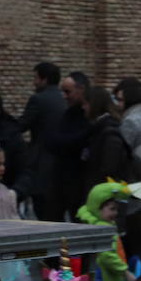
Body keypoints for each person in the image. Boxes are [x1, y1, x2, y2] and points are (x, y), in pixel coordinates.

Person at [76, 180, 137, 281]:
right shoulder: (101, 228)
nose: (115, 213)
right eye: (111, 209)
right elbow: (106, 256)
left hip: (112, 278)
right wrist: (125, 272)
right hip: (107, 278)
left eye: (116, 209)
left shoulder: (103, 225)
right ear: (98, 208)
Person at [16, 62, 67, 221]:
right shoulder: (64, 99)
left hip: (41, 164)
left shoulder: (38, 99)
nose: (34, 82)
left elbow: (22, 125)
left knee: (43, 210)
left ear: (44, 80)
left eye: (36, 78)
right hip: (62, 164)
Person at [46, 71, 94, 219]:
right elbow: (53, 142)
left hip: (80, 183)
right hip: (61, 179)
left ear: (82, 89)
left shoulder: (89, 117)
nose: (64, 96)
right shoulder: (68, 113)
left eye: (68, 92)